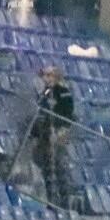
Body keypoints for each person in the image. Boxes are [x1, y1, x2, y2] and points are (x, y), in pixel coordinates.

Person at [29, 65, 74, 209]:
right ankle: (51, 201)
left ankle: (64, 203)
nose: (45, 78)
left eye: (49, 75)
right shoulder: (46, 92)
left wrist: (61, 132)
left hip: (58, 136)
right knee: (47, 170)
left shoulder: (63, 93)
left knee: (59, 169)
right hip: (45, 135)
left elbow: (68, 116)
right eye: (44, 75)